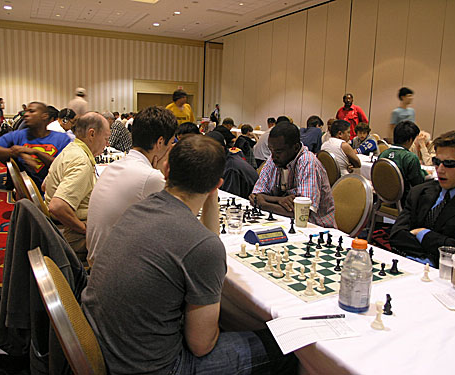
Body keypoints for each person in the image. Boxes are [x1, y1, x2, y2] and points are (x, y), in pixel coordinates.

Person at [82, 135, 298, 374]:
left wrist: (211, 197)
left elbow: (208, 244)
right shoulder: (202, 246)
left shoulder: (138, 208)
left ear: (165, 168)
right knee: (288, 346)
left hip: (102, 346)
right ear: (217, 183)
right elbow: (201, 346)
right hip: (152, 367)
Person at [87, 107, 177, 265]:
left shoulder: (115, 166)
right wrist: (164, 172)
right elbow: (180, 224)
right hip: (114, 274)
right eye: (170, 144)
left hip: (98, 265)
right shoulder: (150, 177)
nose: (171, 149)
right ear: (160, 142)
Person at [390, 130, 455, 284]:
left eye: (449, 164)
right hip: (410, 271)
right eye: (437, 162)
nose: (440, 170)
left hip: (452, 281)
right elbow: (397, 236)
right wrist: (440, 249)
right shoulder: (420, 191)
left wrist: (422, 234)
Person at [44, 112, 110, 262]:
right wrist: (84, 229)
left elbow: (44, 185)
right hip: (74, 234)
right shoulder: (81, 161)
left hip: (66, 226)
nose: (107, 144)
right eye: (106, 138)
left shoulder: (71, 149)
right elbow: (57, 206)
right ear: (91, 134)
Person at [250, 121, 336, 227]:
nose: (273, 156)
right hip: (284, 221)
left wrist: (264, 204)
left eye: (278, 152)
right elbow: (255, 196)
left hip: (316, 228)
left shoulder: (308, 162)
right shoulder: (275, 159)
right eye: (271, 150)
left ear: (295, 148)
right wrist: (280, 200)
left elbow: (301, 213)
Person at [0, 102, 70, 192]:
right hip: (28, 192)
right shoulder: (19, 135)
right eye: (26, 111)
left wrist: (36, 152)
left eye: (31, 111)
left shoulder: (62, 138)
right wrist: (17, 153)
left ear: (44, 116)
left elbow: (63, 167)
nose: (26, 114)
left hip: (56, 192)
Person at [379, 120, 427, 204]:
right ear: (410, 140)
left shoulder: (383, 154)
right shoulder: (410, 157)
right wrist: (424, 173)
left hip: (384, 197)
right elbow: (418, 182)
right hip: (404, 200)